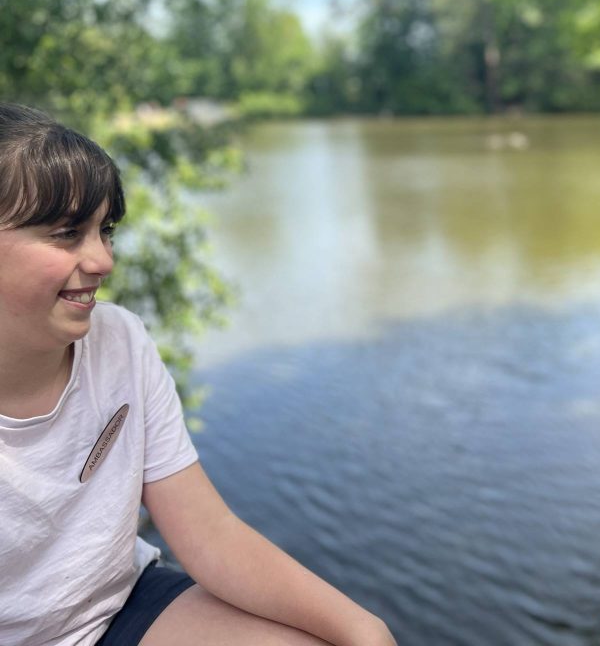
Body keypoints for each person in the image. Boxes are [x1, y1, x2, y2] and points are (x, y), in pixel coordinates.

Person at [0, 103, 397, 646]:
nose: (102, 260)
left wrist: (363, 629)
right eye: (67, 233)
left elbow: (209, 533)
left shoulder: (121, 342)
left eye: (105, 230)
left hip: (121, 603)